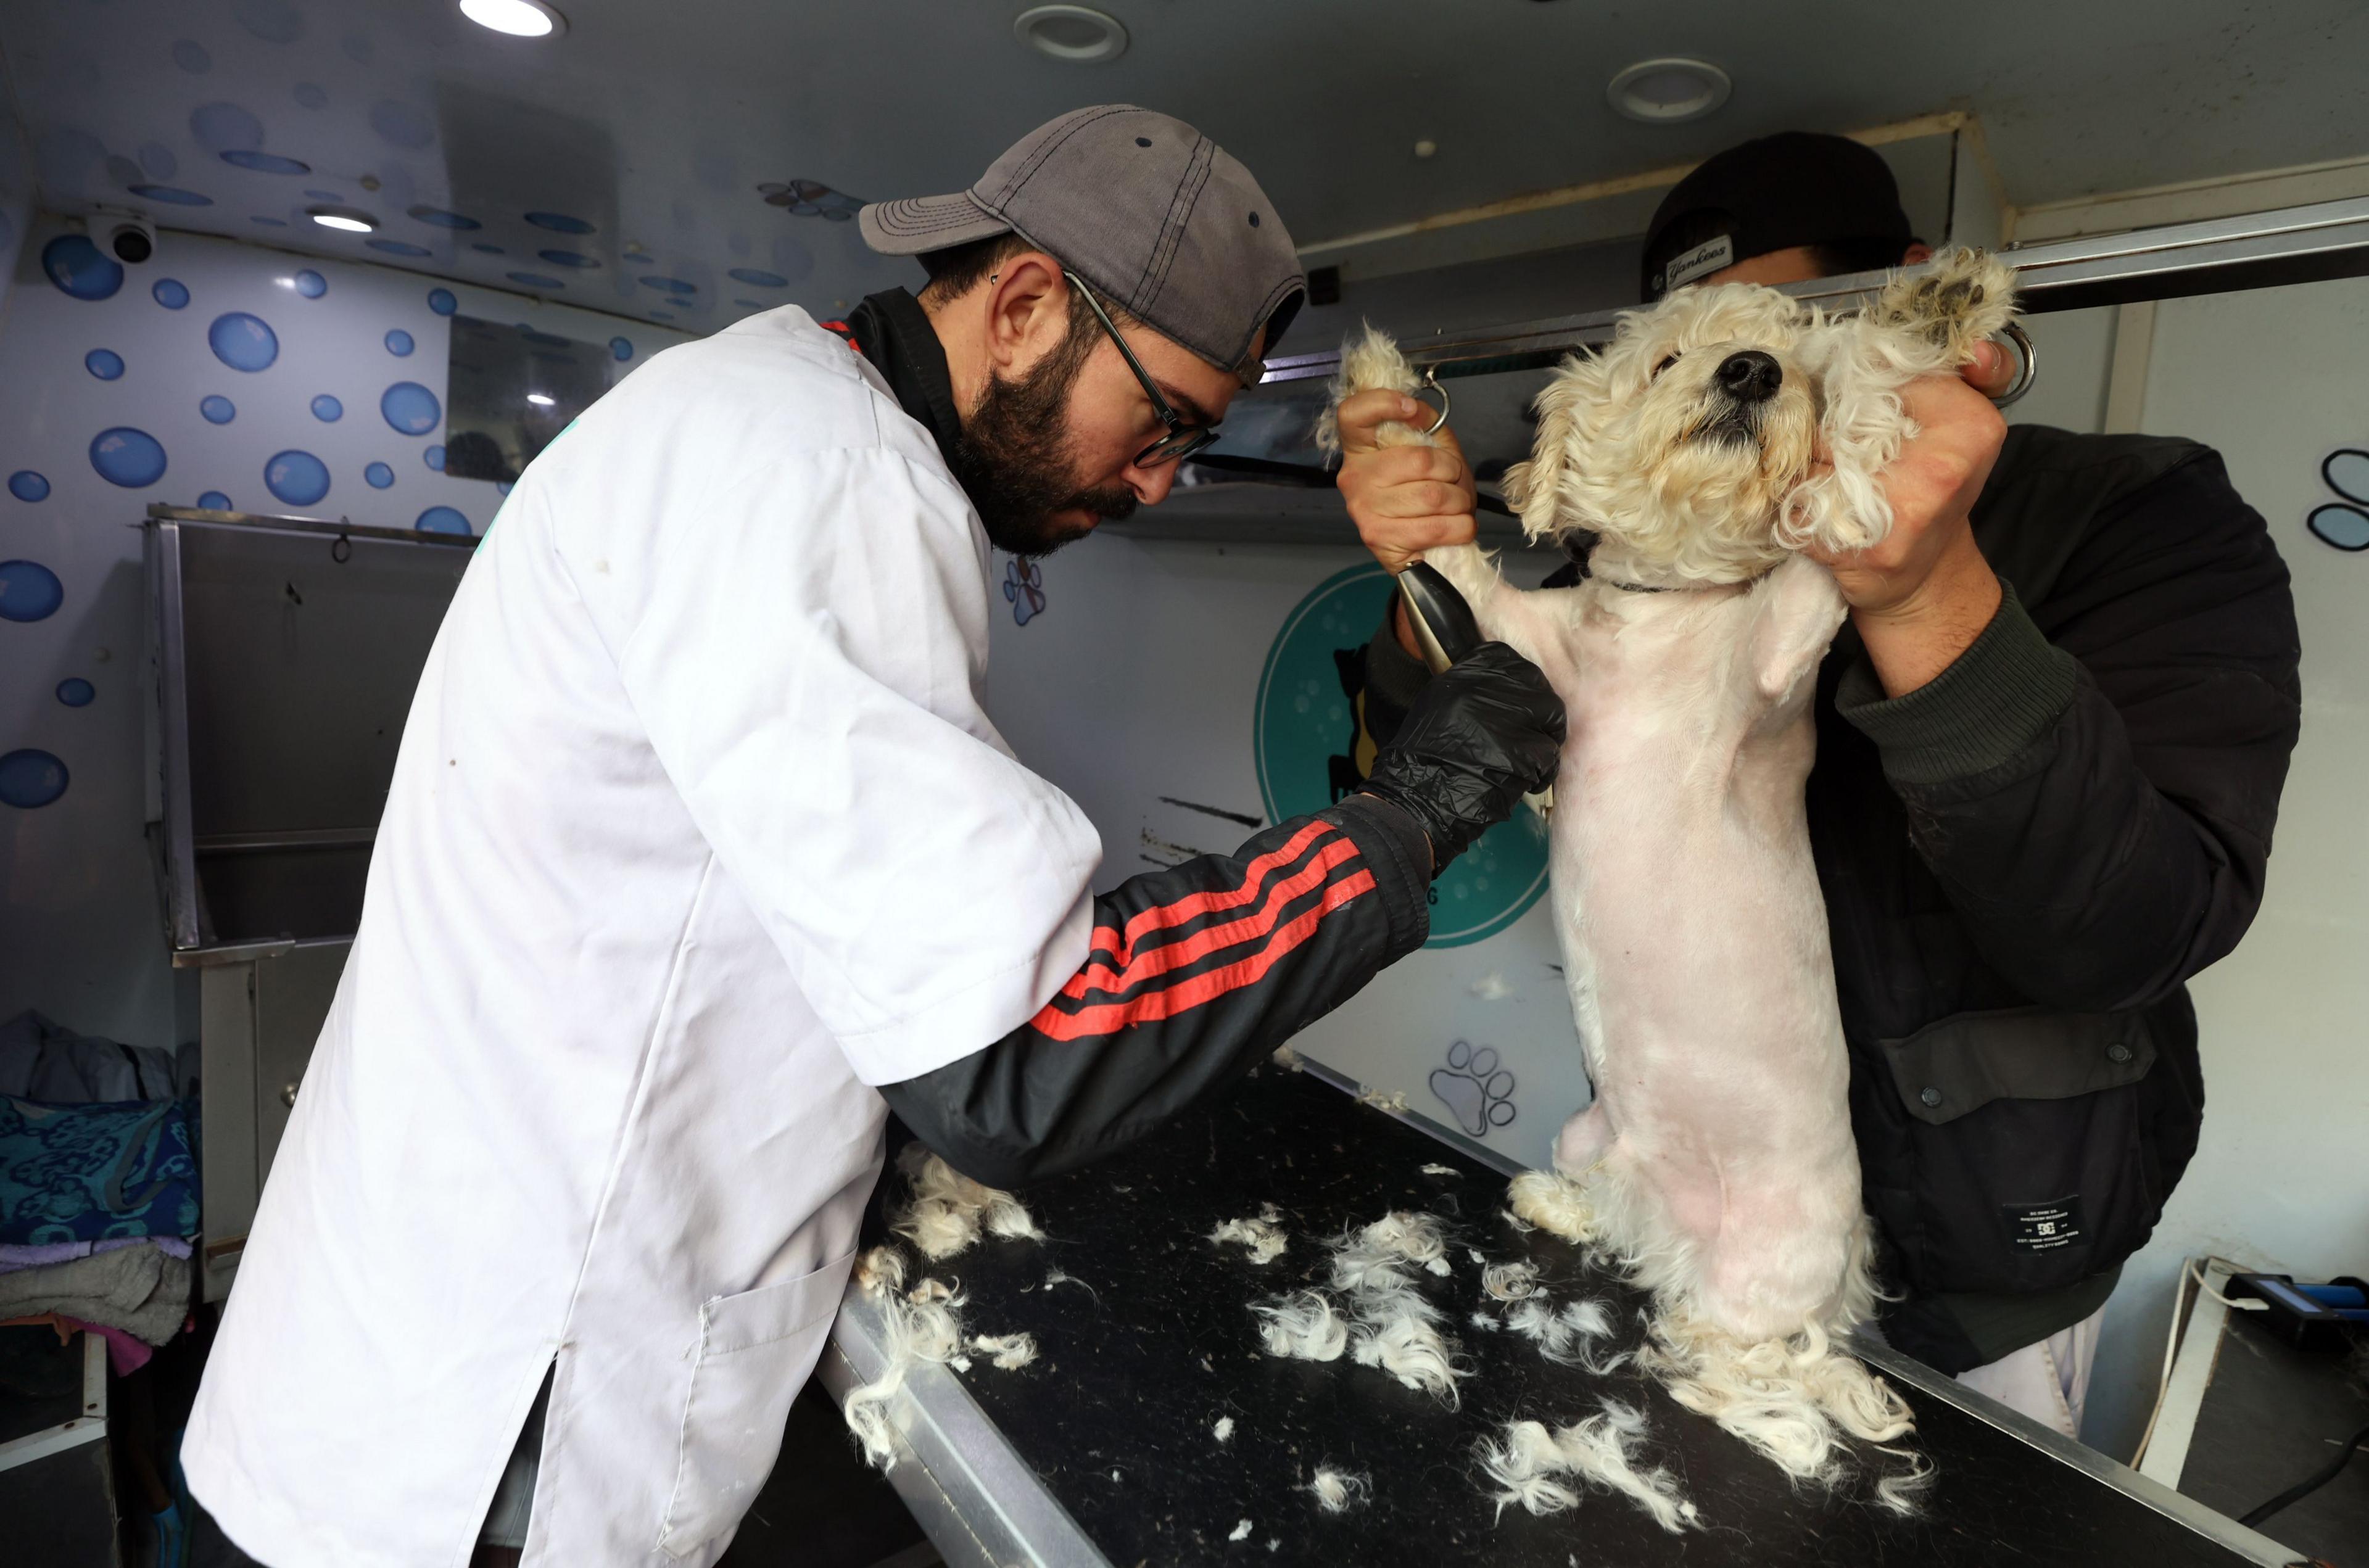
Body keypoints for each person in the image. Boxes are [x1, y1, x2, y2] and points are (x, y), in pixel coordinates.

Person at [182, 105, 1565, 1567]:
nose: (1159, 478)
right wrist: (1405, 821)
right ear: (1026, 304)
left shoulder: (751, 403)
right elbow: (1029, 1057)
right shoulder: (823, 475)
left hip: (405, 1352)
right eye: (1162, 422)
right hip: (498, 1444)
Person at [1334, 131, 2301, 1440]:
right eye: (1686, 341)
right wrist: (1422, 572)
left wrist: (1923, 587)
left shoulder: (2137, 512)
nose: (1742, 368)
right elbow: (1446, 743)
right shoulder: (1646, 573)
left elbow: (2135, 927)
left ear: (1902, 322)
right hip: (1664, 1189)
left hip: (1994, 1262)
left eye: (1800, 329)